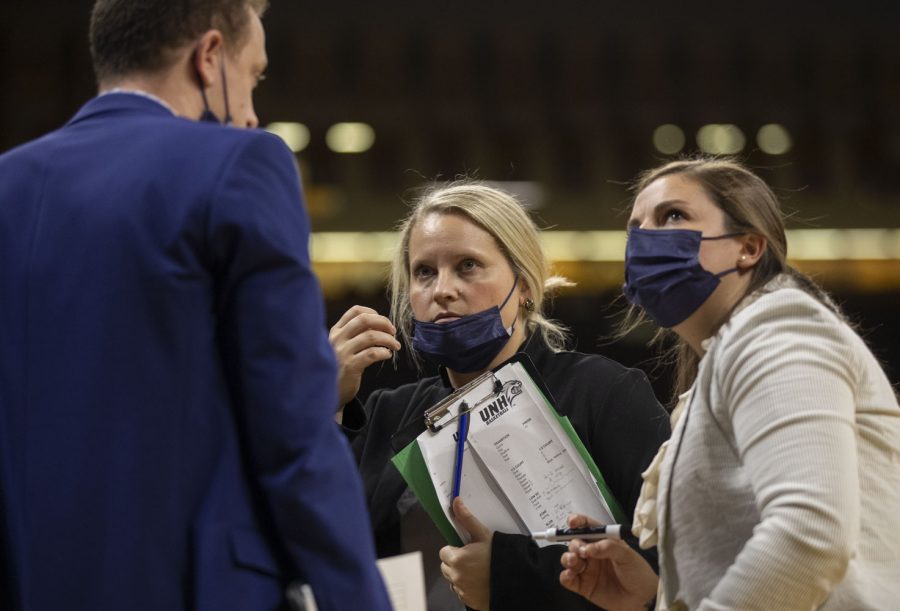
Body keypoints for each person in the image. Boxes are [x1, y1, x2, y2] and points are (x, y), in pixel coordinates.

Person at [0, 1, 391, 610]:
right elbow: (292, 438)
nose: (253, 111)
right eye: (254, 76)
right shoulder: (242, 163)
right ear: (209, 58)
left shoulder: (9, 185)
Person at [559, 157, 900, 610]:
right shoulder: (725, 359)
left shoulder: (780, 328)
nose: (643, 239)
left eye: (673, 216)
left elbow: (810, 533)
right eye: (635, 226)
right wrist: (655, 597)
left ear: (749, 247)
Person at [331, 182, 671, 610]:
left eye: (468, 265)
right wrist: (324, 403)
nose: (442, 290)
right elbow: (315, 543)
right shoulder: (386, 413)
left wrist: (508, 574)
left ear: (525, 284)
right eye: (424, 272)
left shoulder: (605, 393)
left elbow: (667, 560)